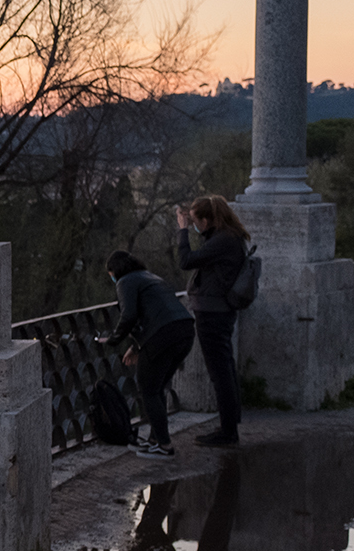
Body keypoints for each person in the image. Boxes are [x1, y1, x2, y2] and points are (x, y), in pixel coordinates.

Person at [94, 250, 196, 459]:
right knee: (157, 387)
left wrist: (114, 340)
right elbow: (152, 313)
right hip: (184, 331)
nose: (111, 278)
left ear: (115, 271)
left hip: (162, 336)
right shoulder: (151, 277)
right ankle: (155, 439)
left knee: (149, 389)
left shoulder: (124, 282)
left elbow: (129, 315)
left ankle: (165, 446)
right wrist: (136, 346)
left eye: (110, 274)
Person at [175, 195, 250, 448]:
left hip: (213, 312)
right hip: (220, 310)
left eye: (196, 221)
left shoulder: (223, 241)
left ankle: (227, 432)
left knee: (220, 372)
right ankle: (230, 426)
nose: (195, 226)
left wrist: (182, 231)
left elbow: (186, 261)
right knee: (225, 368)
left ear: (207, 220)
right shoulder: (230, 237)